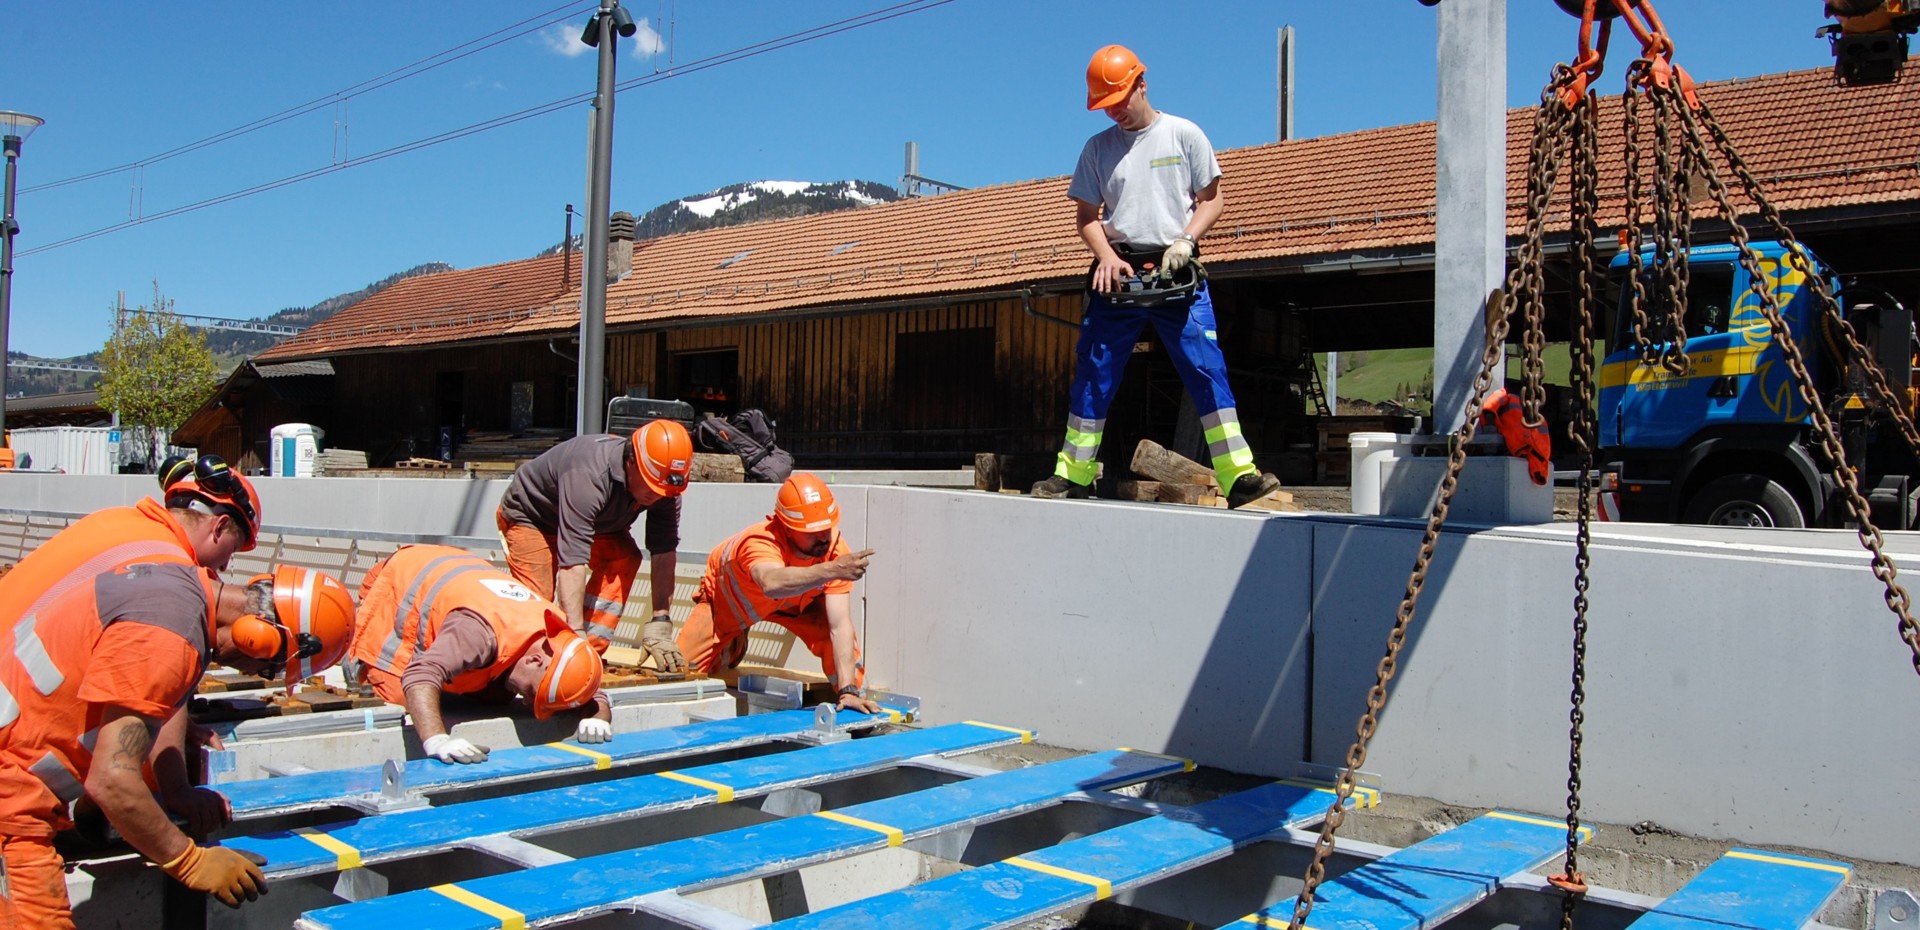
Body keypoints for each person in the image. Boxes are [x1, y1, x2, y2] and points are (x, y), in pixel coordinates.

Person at [0, 563, 355, 926]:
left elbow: (162, 699)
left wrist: (176, 789)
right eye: (268, 668)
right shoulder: (168, 637)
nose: (252, 674)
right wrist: (189, 861)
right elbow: (111, 780)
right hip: (10, 799)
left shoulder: (179, 596)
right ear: (258, 636)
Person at [1031, 44, 1282, 509]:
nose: (1115, 111)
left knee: (1206, 368)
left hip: (1176, 271)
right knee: (1095, 373)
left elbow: (1212, 199)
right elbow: (1086, 217)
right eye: (1106, 105)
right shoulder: (1097, 149)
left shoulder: (1183, 135)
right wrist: (1105, 256)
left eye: (1119, 100)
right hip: (1118, 275)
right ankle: (1072, 475)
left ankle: (1238, 477)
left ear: (1141, 84)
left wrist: (1186, 240)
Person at [0, 454, 263, 842]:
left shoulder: (121, 524)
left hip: (12, 696)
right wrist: (178, 794)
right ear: (220, 526)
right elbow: (154, 678)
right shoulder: (168, 574)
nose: (225, 566)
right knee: (133, 749)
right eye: (232, 549)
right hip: (12, 750)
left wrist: (178, 724)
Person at [349, 544, 609, 764]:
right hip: (398, 581)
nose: (528, 702)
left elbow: (587, 685)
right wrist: (436, 739)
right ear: (534, 660)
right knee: (401, 695)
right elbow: (420, 675)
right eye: (532, 692)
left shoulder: (558, 637)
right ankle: (360, 662)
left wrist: (599, 718)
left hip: (453, 568)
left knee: (498, 694)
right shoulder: (478, 633)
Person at [669, 474, 879, 714]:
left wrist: (848, 690)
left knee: (832, 636)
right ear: (787, 528)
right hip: (730, 603)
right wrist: (832, 570)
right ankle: (733, 644)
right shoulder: (759, 541)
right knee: (681, 673)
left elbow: (839, 625)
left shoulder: (834, 550)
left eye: (826, 528)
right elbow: (771, 582)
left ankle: (852, 701)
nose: (823, 537)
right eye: (811, 532)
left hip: (796, 607)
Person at [496, 420, 694, 667]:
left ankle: (589, 656)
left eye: (663, 491)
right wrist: (574, 632)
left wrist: (660, 622)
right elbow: (572, 559)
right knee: (539, 603)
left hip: (597, 521)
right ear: (631, 462)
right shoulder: (588, 475)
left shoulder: (664, 488)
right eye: (651, 486)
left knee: (624, 558)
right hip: (532, 516)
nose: (657, 496)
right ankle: (528, 665)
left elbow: (663, 552)